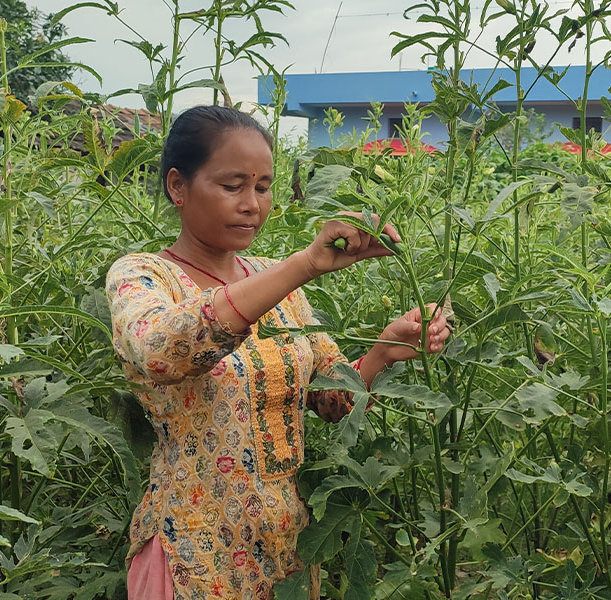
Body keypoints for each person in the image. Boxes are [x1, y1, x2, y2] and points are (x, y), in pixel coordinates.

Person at [105, 105, 450, 600]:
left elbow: (334, 401)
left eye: (263, 187)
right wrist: (303, 265)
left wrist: (386, 350)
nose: (252, 204)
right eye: (232, 186)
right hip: (194, 551)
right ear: (177, 187)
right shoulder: (143, 275)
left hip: (285, 548)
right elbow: (162, 352)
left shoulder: (280, 283)